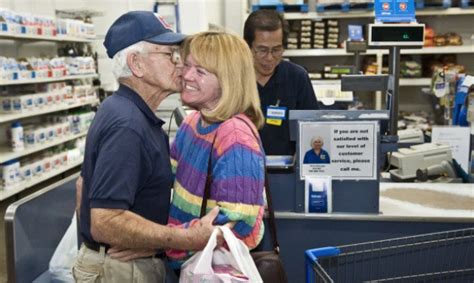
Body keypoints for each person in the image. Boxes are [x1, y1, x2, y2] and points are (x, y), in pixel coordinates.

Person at [73, 11, 219, 282]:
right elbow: (105, 220)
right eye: (169, 55)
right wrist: (185, 238)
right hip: (120, 272)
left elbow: (83, 186)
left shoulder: (130, 113)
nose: (180, 64)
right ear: (136, 64)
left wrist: (138, 237)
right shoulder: (127, 125)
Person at [166, 31, 266, 270]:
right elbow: (166, 178)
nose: (187, 76)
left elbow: (238, 223)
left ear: (228, 81)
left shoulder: (235, 136)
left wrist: (165, 240)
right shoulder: (192, 123)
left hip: (210, 267)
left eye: (200, 71)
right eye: (187, 65)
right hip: (184, 261)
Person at [244, 9, 320, 156]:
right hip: (242, 170)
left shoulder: (297, 77)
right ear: (247, 46)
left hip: (286, 171)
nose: (270, 58)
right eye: (262, 50)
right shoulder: (233, 78)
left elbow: (313, 129)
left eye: (277, 50)